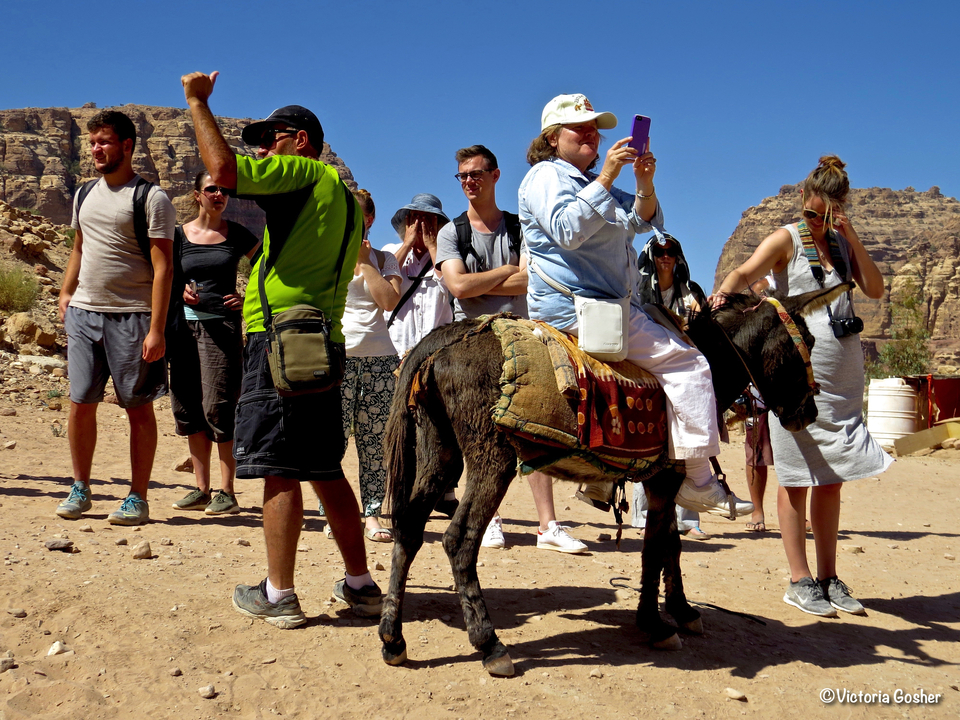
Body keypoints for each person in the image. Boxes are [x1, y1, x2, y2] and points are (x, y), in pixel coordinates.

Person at [182, 70, 381, 627]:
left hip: (282, 346)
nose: (266, 150)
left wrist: (197, 101)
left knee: (279, 467)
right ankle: (361, 585)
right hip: (323, 340)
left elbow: (222, 170)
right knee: (324, 467)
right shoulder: (340, 197)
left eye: (273, 139)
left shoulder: (303, 175)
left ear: (301, 141)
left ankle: (278, 593)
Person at [518, 93, 752, 519]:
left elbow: (643, 220)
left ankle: (613, 476)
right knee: (690, 365)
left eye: (595, 128)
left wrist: (644, 181)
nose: (592, 134)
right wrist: (606, 176)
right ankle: (700, 480)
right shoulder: (545, 178)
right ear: (552, 138)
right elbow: (566, 230)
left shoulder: (586, 182)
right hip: (579, 309)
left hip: (602, 306)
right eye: (581, 128)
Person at [714, 155, 891, 617]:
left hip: (844, 379)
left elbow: (875, 289)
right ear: (801, 202)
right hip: (795, 377)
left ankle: (830, 578)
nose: (816, 222)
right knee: (795, 479)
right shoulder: (787, 239)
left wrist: (849, 236)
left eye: (826, 216)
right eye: (811, 213)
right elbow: (743, 273)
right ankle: (799, 579)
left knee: (831, 481)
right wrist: (723, 295)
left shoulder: (842, 245)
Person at [432, 144, 586, 553]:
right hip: (471, 344)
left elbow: (531, 281)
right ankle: (489, 519)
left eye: (476, 174)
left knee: (535, 427)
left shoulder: (520, 227)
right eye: (463, 176)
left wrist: (482, 279)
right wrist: (505, 273)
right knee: (478, 433)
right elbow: (458, 287)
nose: (469, 182)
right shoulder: (452, 232)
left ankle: (548, 525)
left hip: (523, 339)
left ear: (496, 175)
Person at [55, 110, 175, 526]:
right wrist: (66, 292)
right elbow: (78, 247)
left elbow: (164, 267)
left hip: (133, 318)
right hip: (85, 314)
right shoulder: (84, 193)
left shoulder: (151, 198)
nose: (95, 150)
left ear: (127, 145)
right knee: (79, 402)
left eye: (104, 142)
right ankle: (80, 487)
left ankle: (137, 497)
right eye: (92, 143)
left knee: (137, 407)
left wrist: (157, 328)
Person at [169, 170, 260, 516]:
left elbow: (267, 263)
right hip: (183, 331)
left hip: (221, 330)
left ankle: (227, 491)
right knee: (188, 406)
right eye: (211, 189)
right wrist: (179, 289)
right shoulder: (179, 235)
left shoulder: (235, 233)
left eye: (223, 190)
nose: (219, 194)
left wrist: (247, 296)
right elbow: (162, 271)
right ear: (197, 195)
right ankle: (201, 489)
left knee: (218, 406)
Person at [323, 188, 401, 542]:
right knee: (333, 441)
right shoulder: (325, 256)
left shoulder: (386, 259)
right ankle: (335, 513)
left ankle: (371, 515)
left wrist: (366, 261)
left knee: (373, 443)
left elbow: (388, 301)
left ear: (368, 219)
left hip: (380, 360)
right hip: (337, 357)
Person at [382, 193, 459, 516]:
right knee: (399, 427)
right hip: (396, 352)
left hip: (437, 357)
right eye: (415, 220)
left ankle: (446, 492)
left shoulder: (448, 259)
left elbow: (453, 291)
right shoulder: (388, 252)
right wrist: (408, 243)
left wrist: (433, 249)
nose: (422, 226)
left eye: (430, 221)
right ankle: (398, 491)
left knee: (444, 426)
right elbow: (384, 285)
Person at [632, 232, 709, 539]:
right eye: (660, 250)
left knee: (688, 441)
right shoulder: (638, 290)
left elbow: (701, 329)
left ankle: (690, 518)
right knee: (647, 446)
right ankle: (642, 515)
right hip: (649, 372)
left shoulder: (691, 292)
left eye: (671, 250)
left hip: (682, 373)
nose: (665, 256)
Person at [742, 384, 774, 532]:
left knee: (792, 457)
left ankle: (797, 513)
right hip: (755, 403)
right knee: (756, 456)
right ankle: (757, 511)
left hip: (786, 401)